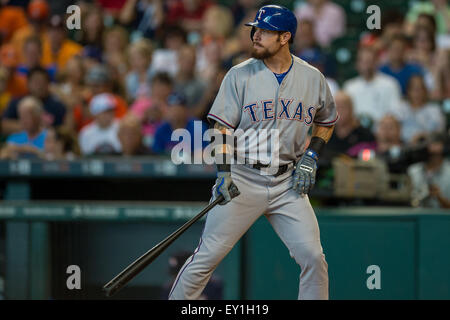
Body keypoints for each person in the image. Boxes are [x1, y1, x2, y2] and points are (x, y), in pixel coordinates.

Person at [168, 5, 337, 300]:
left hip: (288, 183)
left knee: (313, 257)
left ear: (285, 37)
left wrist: (311, 156)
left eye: (264, 31)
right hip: (243, 178)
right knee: (207, 257)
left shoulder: (312, 78)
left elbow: (326, 121)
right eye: (254, 30)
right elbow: (220, 129)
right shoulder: (239, 75)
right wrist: (223, 173)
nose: (255, 35)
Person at [343, 46, 402, 127]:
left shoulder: (390, 84)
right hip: (356, 130)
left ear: (376, 62)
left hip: (382, 130)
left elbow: (396, 112)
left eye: (370, 61)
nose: (367, 66)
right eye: (363, 62)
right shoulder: (349, 86)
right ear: (357, 64)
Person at [2, 66, 66, 135]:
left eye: (42, 81)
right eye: (36, 81)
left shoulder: (56, 106)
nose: (39, 85)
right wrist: (30, 126)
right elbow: (4, 125)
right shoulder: (17, 102)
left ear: (48, 84)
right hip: (19, 143)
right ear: (28, 83)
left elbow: (63, 130)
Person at [321, 91, 375, 162]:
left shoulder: (364, 135)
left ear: (351, 109)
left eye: (342, 107)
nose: (338, 111)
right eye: (335, 107)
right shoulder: (325, 134)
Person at [152, 91, 208, 155]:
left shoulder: (198, 128)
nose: (176, 111)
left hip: (193, 164)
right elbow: (155, 155)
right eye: (172, 108)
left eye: (179, 108)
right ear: (167, 110)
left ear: (186, 110)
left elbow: (205, 153)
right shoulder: (161, 130)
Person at [398, 75, 445, 145]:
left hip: (427, 146)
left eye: (420, 89)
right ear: (408, 91)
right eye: (414, 89)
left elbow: (440, 132)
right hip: (403, 146)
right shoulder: (400, 108)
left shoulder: (434, 110)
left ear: (425, 91)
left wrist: (423, 135)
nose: (417, 93)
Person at [408, 133, 450, 209]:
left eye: (435, 143)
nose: (431, 148)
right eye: (428, 144)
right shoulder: (413, 171)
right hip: (416, 216)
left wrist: (439, 197)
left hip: (443, 219)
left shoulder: (448, 172)